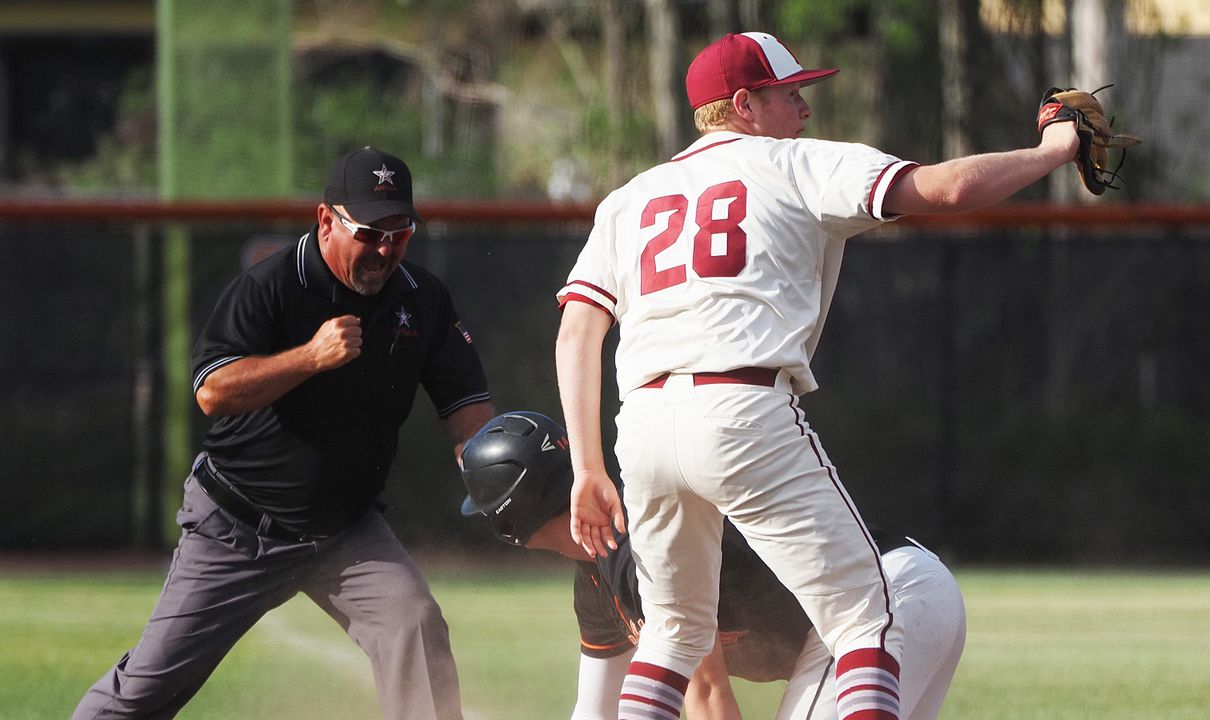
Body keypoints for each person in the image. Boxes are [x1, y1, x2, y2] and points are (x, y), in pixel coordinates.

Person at [555, 31, 1083, 720]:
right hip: (741, 406)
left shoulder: (629, 198)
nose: (804, 109)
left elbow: (577, 331)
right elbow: (949, 188)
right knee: (867, 619)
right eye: (790, 94)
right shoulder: (794, 164)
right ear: (744, 104)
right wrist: (1054, 151)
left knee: (672, 638)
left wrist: (588, 468)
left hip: (644, 426)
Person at [73, 146, 495, 720]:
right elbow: (212, 392)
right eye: (370, 232)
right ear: (327, 221)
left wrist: (494, 468)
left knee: (414, 625)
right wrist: (310, 358)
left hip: (345, 533)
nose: (384, 249)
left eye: (400, 232)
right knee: (146, 690)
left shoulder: (421, 298)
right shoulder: (272, 286)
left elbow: (465, 405)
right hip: (236, 527)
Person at [458, 411, 966, 720]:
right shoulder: (599, 574)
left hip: (880, 601)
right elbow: (596, 709)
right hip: (900, 594)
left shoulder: (644, 551)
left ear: (509, 526)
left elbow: (708, 696)